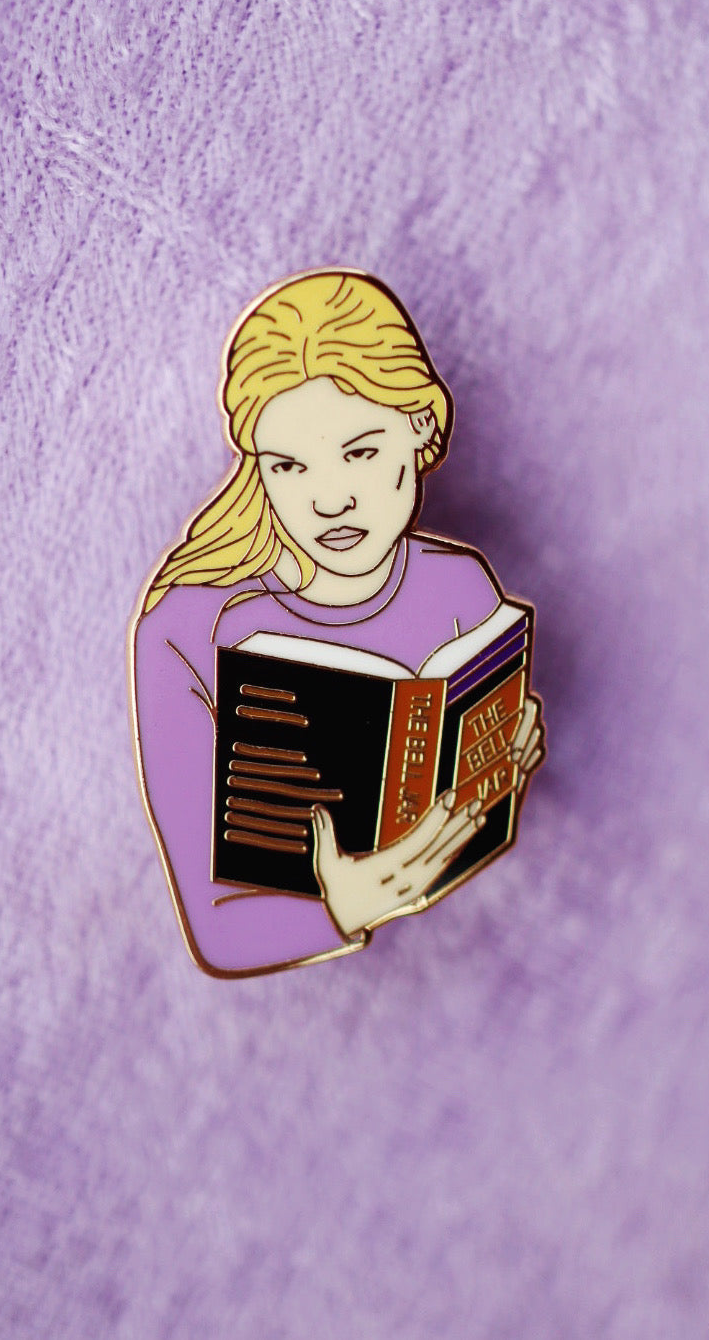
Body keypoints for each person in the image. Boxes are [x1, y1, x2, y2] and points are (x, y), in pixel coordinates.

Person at [130, 269, 545, 977]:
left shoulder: (462, 587)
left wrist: (499, 770)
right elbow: (214, 929)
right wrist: (342, 907)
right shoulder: (187, 629)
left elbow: (467, 813)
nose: (328, 501)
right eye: (289, 467)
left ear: (420, 427)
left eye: (360, 452)